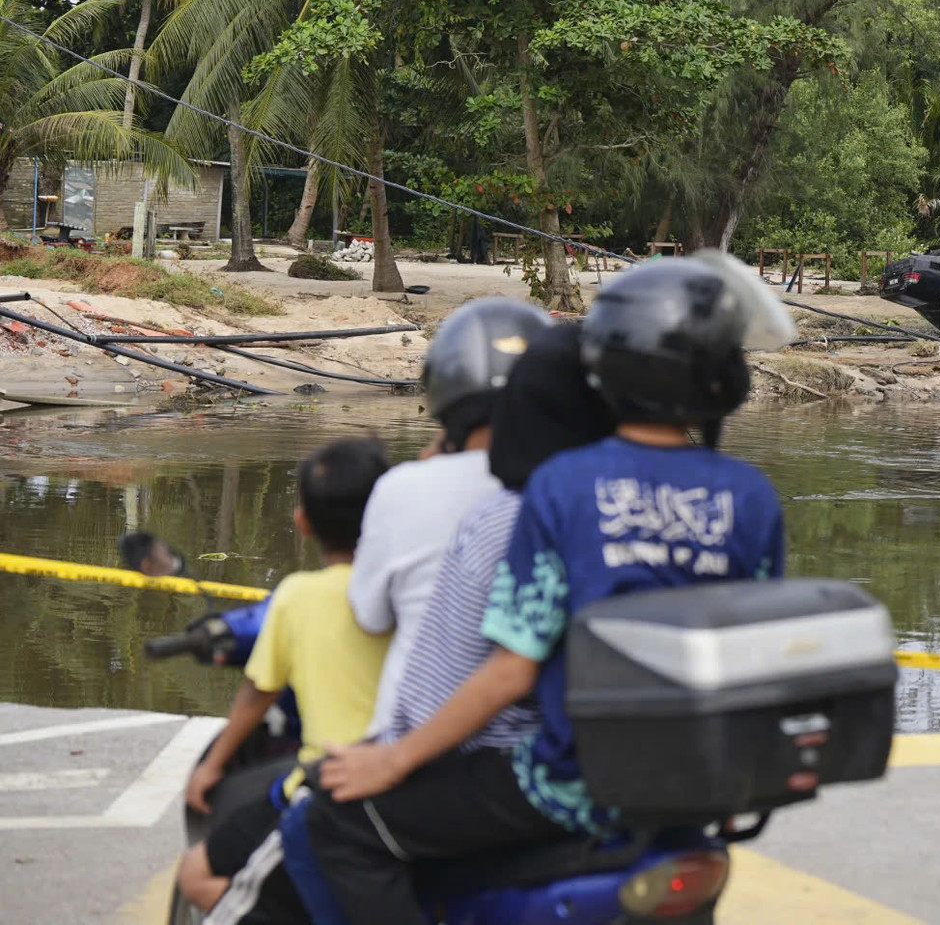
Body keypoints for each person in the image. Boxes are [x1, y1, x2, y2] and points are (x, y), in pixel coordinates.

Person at [303, 255, 793, 924]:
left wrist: (392, 759)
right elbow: (753, 653)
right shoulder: (754, 498)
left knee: (343, 822)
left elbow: (511, 670)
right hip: (695, 786)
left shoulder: (562, 485)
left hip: (569, 784)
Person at [277, 322, 618, 924]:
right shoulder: (604, 492)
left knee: (321, 820)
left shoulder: (489, 509)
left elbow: (484, 665)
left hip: (479, 758)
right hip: (602, 753)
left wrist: (397, 755)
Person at [175, 437, 391, 917]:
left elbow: (259, 689)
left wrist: (211, 767)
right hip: (418, 784)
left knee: (195, 873)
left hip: (327, 790)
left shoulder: (296, 596)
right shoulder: (414, 587)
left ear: (303, 522)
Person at [349, 298, 552, 739]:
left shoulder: (404, 486)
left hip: (412, 747)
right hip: (547, 750)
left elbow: (370, 616)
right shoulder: (572, 490)